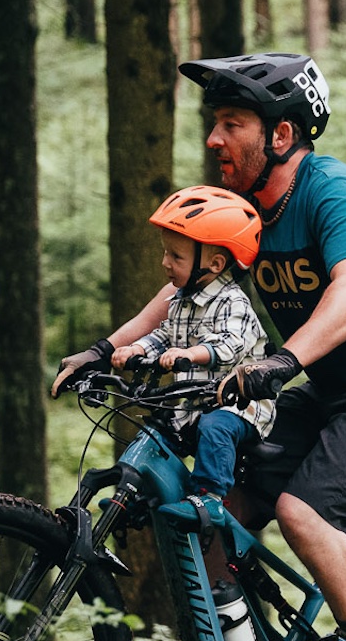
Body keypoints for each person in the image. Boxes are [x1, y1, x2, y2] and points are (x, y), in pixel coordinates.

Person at [52, 52, 346, 641]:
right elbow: (183, 286)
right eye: (214, 123)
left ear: (281, 135)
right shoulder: (244, 214)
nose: (214, 139)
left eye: (232, 122)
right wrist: (106, 349)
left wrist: (283, 360)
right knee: (210, 516)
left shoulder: (334, 193)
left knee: (306, 512)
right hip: (329, 387)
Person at [108, 186, 274, 507]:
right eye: (165, 253)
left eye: (175, 256)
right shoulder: (180, 301)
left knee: (215, 427)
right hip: (193, 403)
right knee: (156, 435)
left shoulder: (232, 302)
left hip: (237, 408)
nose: (164, 263)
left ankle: (208, 497)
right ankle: (132, 498)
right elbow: (164, 335)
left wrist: (189, 354)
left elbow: (229, 346)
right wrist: (138, 349)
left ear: (214, 263)